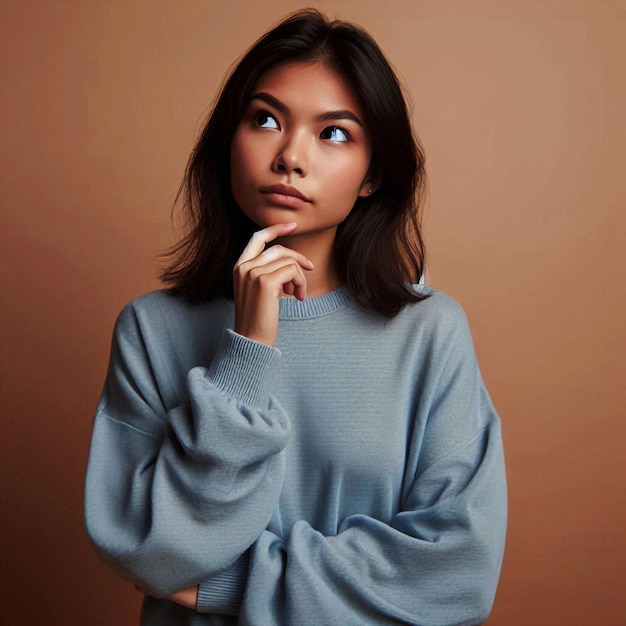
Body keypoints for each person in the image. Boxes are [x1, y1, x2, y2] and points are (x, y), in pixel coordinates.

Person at [84, 8, 507, 626]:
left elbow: (457, 573)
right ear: (229, 141)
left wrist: (229, 589)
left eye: (333, 133)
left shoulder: (430, 332)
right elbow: (149, 550)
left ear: (373, 174)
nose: (290, 157)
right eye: (265, 120)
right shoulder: (152, 331)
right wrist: (248, 352)